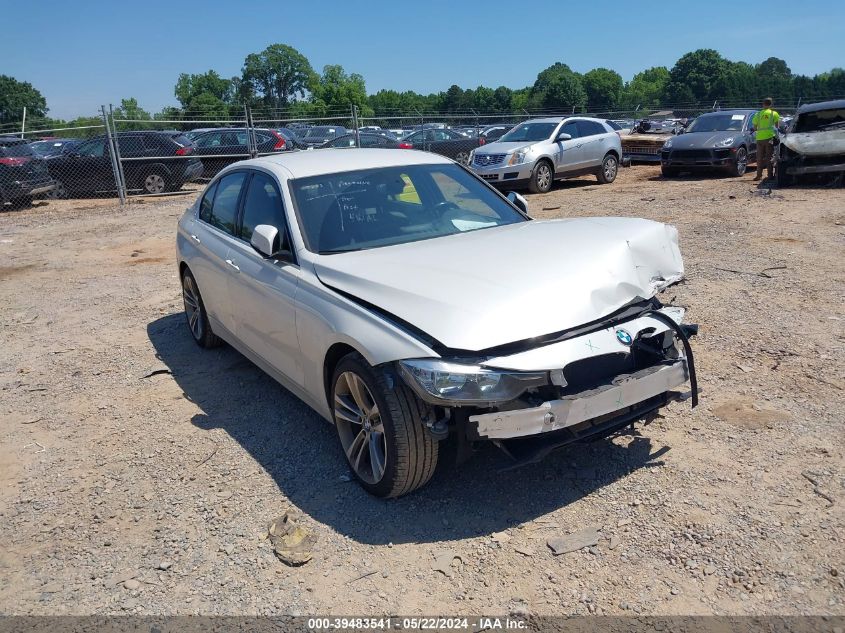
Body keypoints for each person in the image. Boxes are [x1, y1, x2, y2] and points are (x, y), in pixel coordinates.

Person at [751, 98, 780, 181]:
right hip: (769, 137)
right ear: (771, 104)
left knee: (759, 157)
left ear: (763, 104)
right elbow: (777, 126)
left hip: (759, 138)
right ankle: (770, 175)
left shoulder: (758, 114)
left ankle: (758, 175)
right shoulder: (774, 113)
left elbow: (755, 127)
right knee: (769, 157)